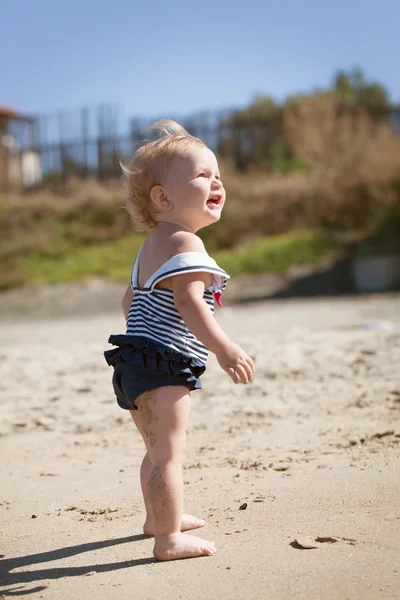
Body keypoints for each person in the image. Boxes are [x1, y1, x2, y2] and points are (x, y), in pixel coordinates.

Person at [104, 120, 254, 561]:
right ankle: (167, 539)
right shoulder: (186, 242)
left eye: (218, 175)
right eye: (202, 175)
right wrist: (224, 348)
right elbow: (191, 302)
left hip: (133, 362)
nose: (216, 182)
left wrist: (142, 345)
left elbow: (130, 300)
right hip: (163, 365)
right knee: (170, 454)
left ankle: (158, 518)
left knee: (156, 449)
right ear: (163, 197)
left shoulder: (152, 245)